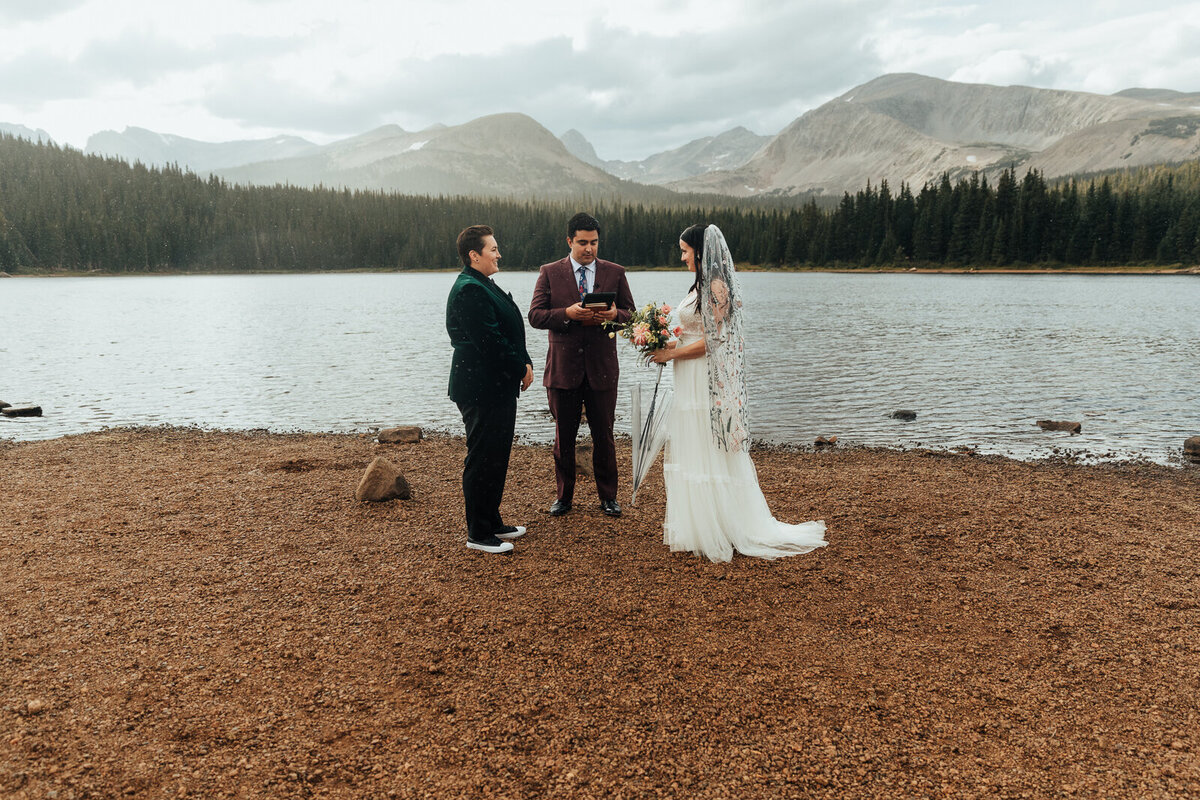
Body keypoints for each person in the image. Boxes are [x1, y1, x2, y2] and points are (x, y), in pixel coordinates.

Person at [650, 224, 827, 562]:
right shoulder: (697, 286)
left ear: (700, 251)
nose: (682, 256)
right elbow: (690, 335)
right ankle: (698, 526)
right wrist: (657, 344)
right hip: (686, 376)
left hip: (704, 378)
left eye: (685, 250)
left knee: (709, 446)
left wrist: (670, 354)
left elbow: (714, 342)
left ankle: (725, 527)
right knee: (692, 445)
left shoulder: (717, 286)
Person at [528, 212, 635, 517]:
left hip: (602, 368)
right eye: (583, 242)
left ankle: (608, 497)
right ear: (569, 241)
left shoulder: (615, 272)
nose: (589, 249)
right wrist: (567, 314)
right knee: (564, 437)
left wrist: (615, 316)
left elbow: (631, 314)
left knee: (605, 436)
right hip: (563, 370)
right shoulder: (549, 272)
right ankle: (564, 498)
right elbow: (535, 315)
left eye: (595, 242)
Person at [446, 225, 534, 553]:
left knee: (497, 455)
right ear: (474, 255)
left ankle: (492, 520)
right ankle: (478, 533)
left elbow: (507, 329)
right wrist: (519, 366)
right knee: (483, 456)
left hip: (495, 385)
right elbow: (490, 341)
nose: (498, 254)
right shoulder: (469, 289)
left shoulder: (482, 283)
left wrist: (523, 360)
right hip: (479, 386)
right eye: (493, 249)